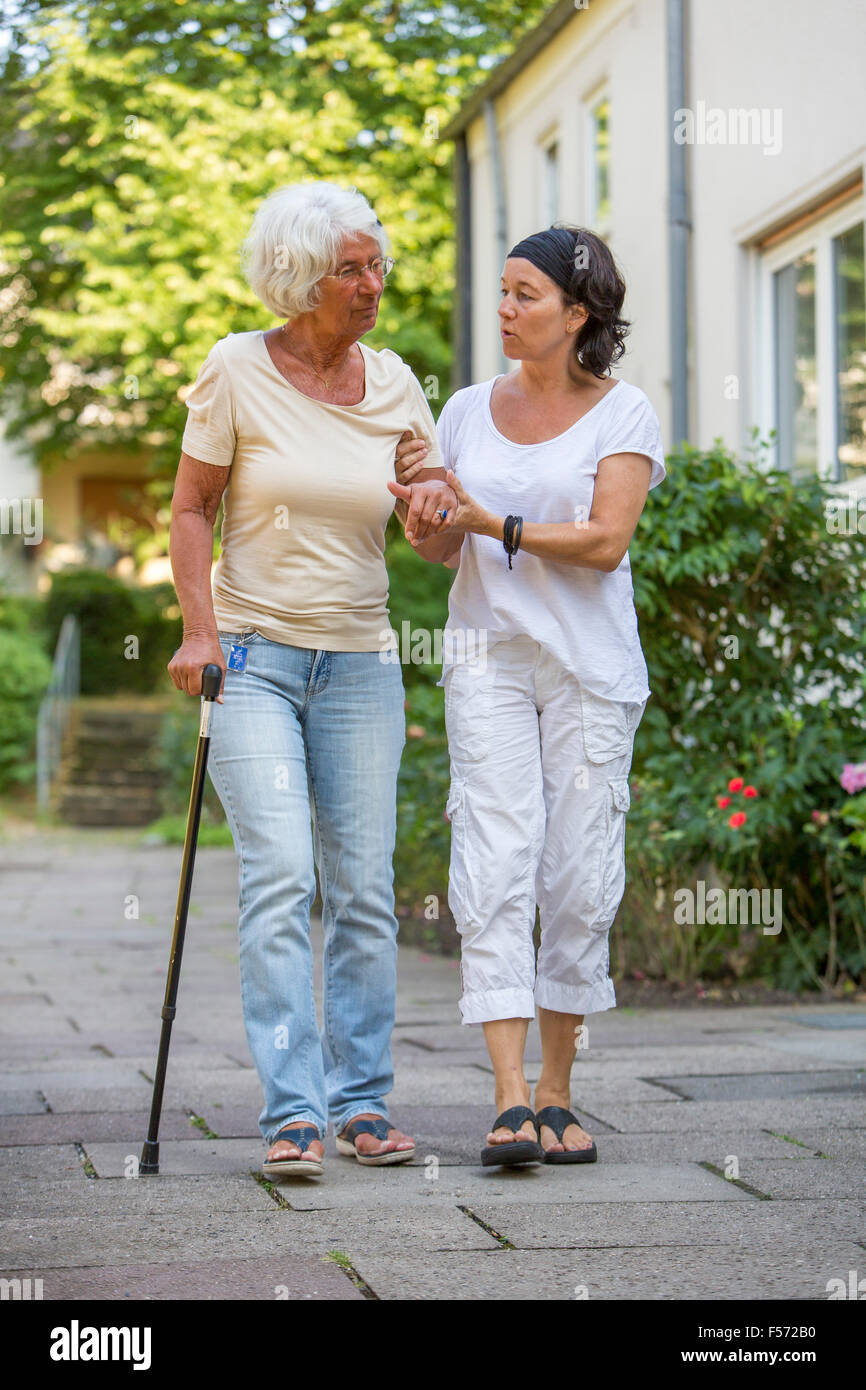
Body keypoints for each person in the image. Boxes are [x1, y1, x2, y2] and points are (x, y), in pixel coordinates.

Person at [168, 182, 455, 1177]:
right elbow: (190, 510)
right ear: (301, 277)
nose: (374, 283)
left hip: (363, 667)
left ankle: (362, 1103)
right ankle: (294, 1111)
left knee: (364, 888)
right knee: (283, 870)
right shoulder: (236, 370)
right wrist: (197, 632)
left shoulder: (394, 384)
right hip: (250, 661)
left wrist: (433, 513)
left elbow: (439, 526)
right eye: (353, 268)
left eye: (377, 264)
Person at [389, 224, 665, 1166]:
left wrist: (491, 519)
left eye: (524, 296)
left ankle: (558, 1091)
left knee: (578, 879)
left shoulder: (622, 413)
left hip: (588, 668)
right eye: (501, 292)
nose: (504, 310)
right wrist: (419, 511)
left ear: (577, 312)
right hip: (489, 660)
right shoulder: (465, 409)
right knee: (495, 858)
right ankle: (508, 1100)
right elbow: (440, 546)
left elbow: (604, 541)